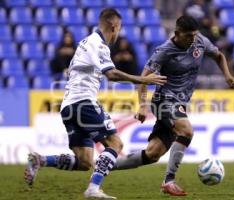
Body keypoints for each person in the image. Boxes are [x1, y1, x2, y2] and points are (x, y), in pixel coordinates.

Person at [24, 8, 166, 199]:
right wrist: (143, 81)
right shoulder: (98, 45)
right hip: (84, 102)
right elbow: (112, 74)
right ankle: (93, 189)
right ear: (114, 26)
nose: (118, 33)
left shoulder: (85, 42)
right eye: (119, 27)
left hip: (68, 107)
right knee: (115, 143)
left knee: (85, 161)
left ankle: (40, 160)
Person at [113, 15, 234, 196]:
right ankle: (169, 181)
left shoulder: (200, 41)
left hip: (179, 103)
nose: (192, 39)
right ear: (177, 33)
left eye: (194, 35)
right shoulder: (164, 51)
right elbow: (143, 78)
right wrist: (142, 105)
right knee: (186, 131)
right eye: (188, 36)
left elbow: (218, 55)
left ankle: (105, 165)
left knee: (152, 154)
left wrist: (227, 75)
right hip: (164, 100)